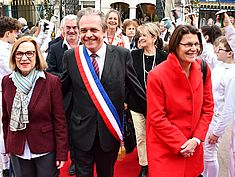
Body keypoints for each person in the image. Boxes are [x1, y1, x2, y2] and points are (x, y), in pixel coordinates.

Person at [61, 7, 146, 177]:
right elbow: (61, 91)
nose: (88, 35)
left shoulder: (122, 55)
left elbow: (136, 90)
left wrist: (153, 115)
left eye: (94, 30)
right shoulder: (71, 56)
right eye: (84, 30)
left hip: (109, 132)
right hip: (80, 131)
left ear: (105, 31)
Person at [146, 25, 214, 177]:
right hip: (165, 149)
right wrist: (182, 144)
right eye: (188, 44)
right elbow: (157, 118)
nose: (194, 49)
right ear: (175, 45)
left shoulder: (203, 69)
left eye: (196, 44)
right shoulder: (157, 75)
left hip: (193, 149)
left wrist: (196, 140)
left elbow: (208, 108)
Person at [1, 36, 68, 177]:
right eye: (19, 54)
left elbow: (60, 120)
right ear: (13, 57)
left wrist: (61, 153)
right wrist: (8, 144)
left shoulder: (51, 82)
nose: (24, 58)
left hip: (45, 148)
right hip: (18, 148)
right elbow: (5, 118)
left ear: (37, 56)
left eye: (29, 53)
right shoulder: (7, 81)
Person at [127, 22, 168, 177]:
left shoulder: (165, 57)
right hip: (136, 104)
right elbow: (128, 80)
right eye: (140, 35)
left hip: (159, 106)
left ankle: (158, 161)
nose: (140, 38)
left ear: (154, 37)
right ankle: (144, 165)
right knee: (141, 137)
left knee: (158, 137)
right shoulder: (133, 55)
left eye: (144, 35)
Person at [46, 14, 79, 176]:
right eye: (68, 28)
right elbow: (49, 72)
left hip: (84, 98)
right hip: (63, 97)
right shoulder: (54, 48)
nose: (72, 31)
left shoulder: (86, 46)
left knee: (80, 130)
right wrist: (68, 76)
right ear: (62, 29)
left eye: (74, 27)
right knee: (65, 129)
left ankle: (77, 159)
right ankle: (69, 158)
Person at [202, 35, 235, 177]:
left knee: (210, 153)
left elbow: (229, 107)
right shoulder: (220, 65)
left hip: (217, 119)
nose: (216, 51)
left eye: (219, 49)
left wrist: (217, 131)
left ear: (230, 53)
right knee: (205, 152)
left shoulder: (232, 75)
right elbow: (206, 53)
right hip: (208, 115)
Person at [0, 16, 21, 177]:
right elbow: (13, 69)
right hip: (4, 93)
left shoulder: (7, 48)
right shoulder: (3, 51)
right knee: (4, 130)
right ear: (8, 33)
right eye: (15, 33)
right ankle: (6, 166)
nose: (16, 36)